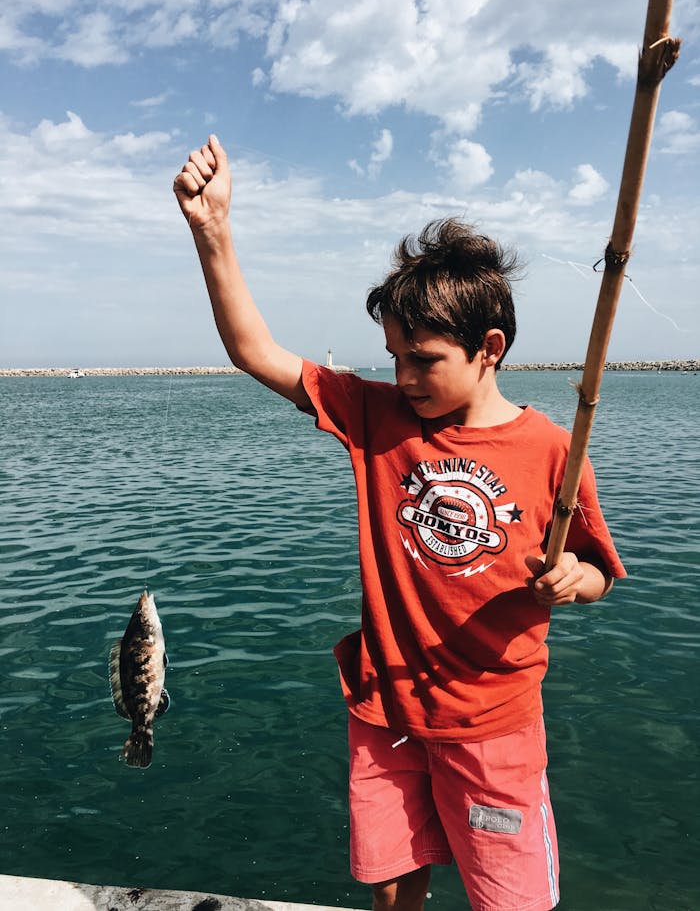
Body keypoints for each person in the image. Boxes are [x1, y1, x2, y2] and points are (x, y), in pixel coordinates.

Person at [174, 135, 626, 911]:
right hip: (383, 711)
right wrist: (212, 230)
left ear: (489, 349)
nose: (403, 377)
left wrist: (569, 579)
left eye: (423, 359)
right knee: (392, 887)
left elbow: (598, 575)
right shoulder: (377, 417)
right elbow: (254, 351)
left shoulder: (556, 448)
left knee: (509, 897)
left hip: (493, 726)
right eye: (393, 357)